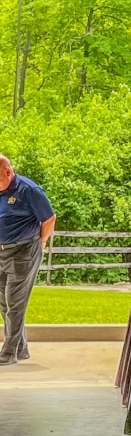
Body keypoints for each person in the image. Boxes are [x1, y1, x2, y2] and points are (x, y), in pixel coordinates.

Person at [0, 156, 56, 366]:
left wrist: (40, 243)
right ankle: (21, 348)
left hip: (23, 252)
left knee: (15, 303)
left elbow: (49, 218)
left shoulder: (29, 190)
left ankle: (8, 353)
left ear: (8, 171)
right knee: (4, 303)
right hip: (2, 253)